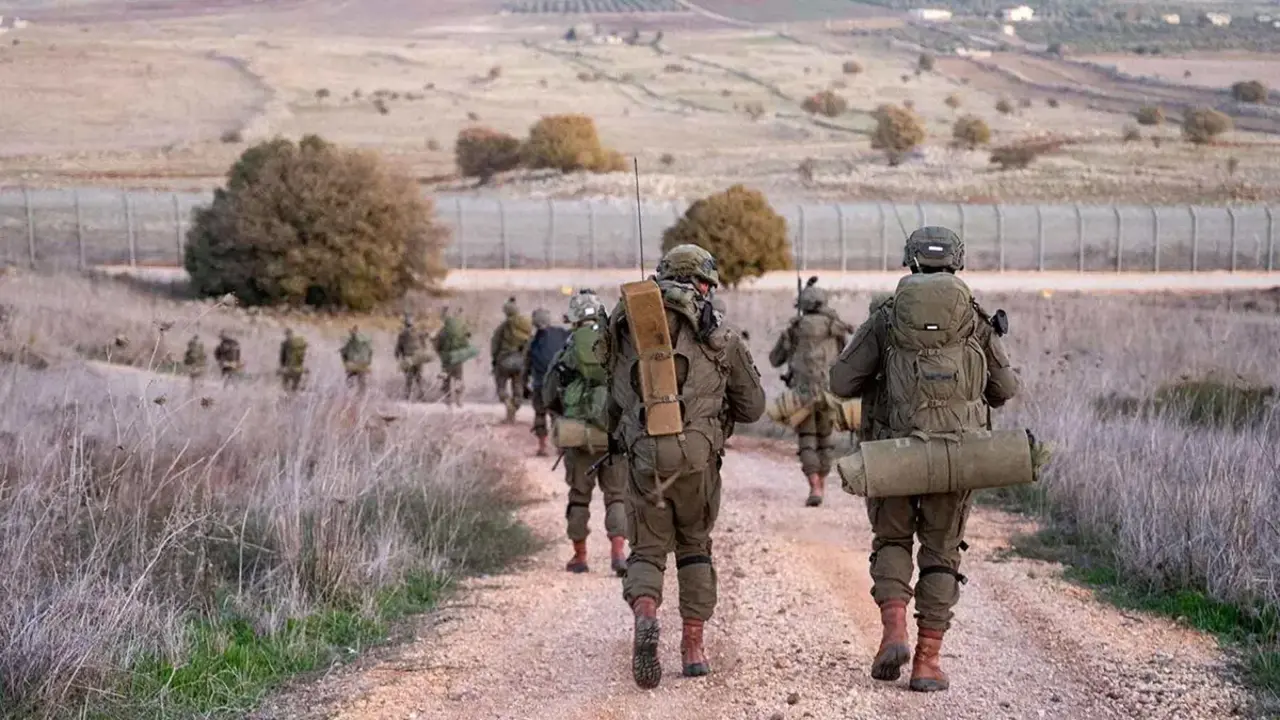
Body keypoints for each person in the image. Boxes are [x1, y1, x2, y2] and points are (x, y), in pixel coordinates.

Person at [829, 227, 1020, 693]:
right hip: (955, 458)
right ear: (957, 261)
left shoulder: (888, 316)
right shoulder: (974, 318)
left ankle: (893, 631)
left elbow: (840, 382)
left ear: (910, 260)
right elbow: (1005, 390)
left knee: (892, 541)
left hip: (895, 454)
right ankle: (927, 662)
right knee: (941, 554)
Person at [599, 244, 765, 689]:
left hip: (644, 457)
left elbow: (613, 399)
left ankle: (646, 614)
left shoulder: (626, 328)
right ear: (703, 284)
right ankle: (693, 648)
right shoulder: (720, 335)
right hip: (696, 460)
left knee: (647, 551)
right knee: (694, 546)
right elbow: (753, 407)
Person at [543, 291, 628, 575]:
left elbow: (548, 393)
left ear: (574, 318)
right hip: (614, 435)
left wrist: (563, 412)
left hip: (578, 435)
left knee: (579, 497)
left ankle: (580, 557)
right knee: (617, 496)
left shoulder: (568, 350)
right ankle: (618, 554)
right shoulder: (616, 346)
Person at [768, 277, 852, 507]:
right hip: (829, 393)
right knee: (825, 440)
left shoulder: (795, 329)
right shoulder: (835, 327)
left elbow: (775, 360)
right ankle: (821, 484)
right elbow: (846, 357)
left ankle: (814, 485)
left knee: (807, 440)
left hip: (801, 394)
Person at [525, 308, 570, 457]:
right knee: (557, 414)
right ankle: (561, 446)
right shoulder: (562, 334)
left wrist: (524, 385)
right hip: (558, 383)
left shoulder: (532, 342)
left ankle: (542, 446)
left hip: (540, 385)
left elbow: (526, 367)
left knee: (540, 414)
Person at [491, 297, 533, 424]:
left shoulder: (503, 327)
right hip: (520, 362)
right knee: (518, 387)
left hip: (503, 360)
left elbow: (494, 345)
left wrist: (494, 360)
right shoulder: (526, 326)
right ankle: (513, 411)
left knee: (501, 386)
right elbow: (530, 344)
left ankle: (507, 403)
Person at [434, 307, 475, 407]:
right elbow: (466, 344)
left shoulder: (442, 331)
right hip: (457, 359)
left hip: (446, 359)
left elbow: (437, 346)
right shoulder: (459, 331)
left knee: (446, 380)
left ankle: (447, 400)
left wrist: (441, 354)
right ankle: (459, 400)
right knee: (458, 378)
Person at [394, 314, 433, 401]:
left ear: (405, 323)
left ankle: (407, 396)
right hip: (418, 357)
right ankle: (422, 395)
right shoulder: (419, 332)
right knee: (419, 377)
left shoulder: (402, 334)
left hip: (408, 358)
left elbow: (398, 347)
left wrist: (397, 356)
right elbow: (424, 343)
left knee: (409, 378)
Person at [340, 326, 373, 392]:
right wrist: (368, 362)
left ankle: (350, 393)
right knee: (361, 382)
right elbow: (370, 352)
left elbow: (344, 353)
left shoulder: (350, 341)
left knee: (350, 381)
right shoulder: (365, 341)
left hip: (353, 365)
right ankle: (361, 394)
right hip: (362, 365)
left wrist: (345, 363)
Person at [279, 328, 308, 393]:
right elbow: (302, 356)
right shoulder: (299, 343)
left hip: (289, 368)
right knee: (294, 387)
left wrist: (282, 367)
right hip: (297, 368)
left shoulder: (285, 344)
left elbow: (282, 358)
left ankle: (288, 394)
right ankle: (293, 393)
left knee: (286, 386)